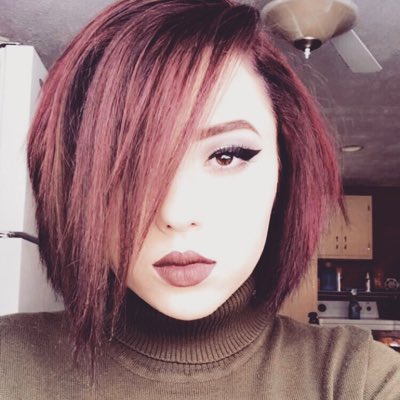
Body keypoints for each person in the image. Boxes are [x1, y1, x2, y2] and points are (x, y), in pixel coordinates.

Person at [1, 0, 399, 398]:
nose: (176, 214)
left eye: (226, 156)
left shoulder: (359, 379)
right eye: (129, 164)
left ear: (285, 170)